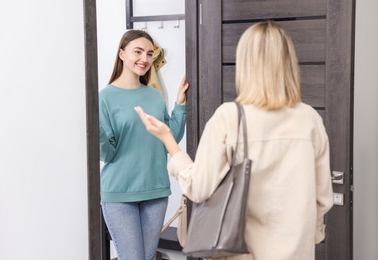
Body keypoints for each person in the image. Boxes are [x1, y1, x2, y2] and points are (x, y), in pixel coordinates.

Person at [135, 21, 334, 260]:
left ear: (245, 64)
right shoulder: (309, 119)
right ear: (288, 63)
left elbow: (199, 188)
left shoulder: (230, 118)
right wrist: (306, 238)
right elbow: (322, 199)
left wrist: (168, 140)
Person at [99, 29, 189, 260]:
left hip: (155, 191)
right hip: (119, 193)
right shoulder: (104, 98)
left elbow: (170, 138)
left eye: (149, 54)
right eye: (137, 52)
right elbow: (107, 153)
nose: (145, 59)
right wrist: (93, 129)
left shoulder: (154, 96)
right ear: (121, 54)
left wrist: (179, 104)